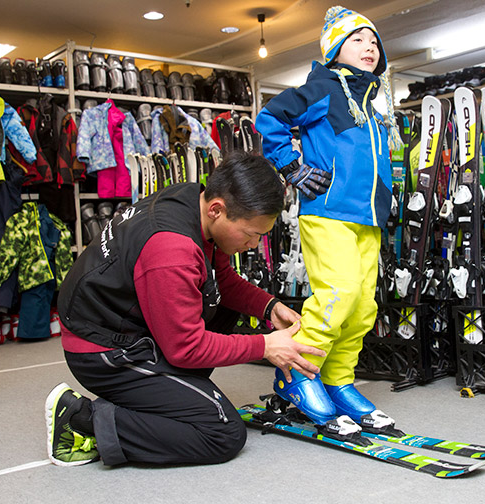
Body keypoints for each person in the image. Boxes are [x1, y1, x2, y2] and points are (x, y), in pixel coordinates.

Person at [46, 151, 325, 467]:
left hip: (124, 324)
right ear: (218, 210)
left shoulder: (195, 200)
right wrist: (265, 346)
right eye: (251, 235)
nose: (253, 245)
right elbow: (185, 348)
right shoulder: (172, 249)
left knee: (219, 303)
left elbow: (224, 281)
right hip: (101, 349)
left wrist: (268, 306)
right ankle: (80, 419)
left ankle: (155, 395)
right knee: (222, 433)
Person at [255, 6, 400, 432]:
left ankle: (337, 379)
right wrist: (292, 167)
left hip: (367, 216)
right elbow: (272, 119)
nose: (369, 48)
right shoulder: (322, 89)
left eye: (373, 41)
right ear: (335, 47)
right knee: (336, 294)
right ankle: (297, 374)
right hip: (328, 212)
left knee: (361, 306)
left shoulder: (375, 101)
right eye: (357, 40)